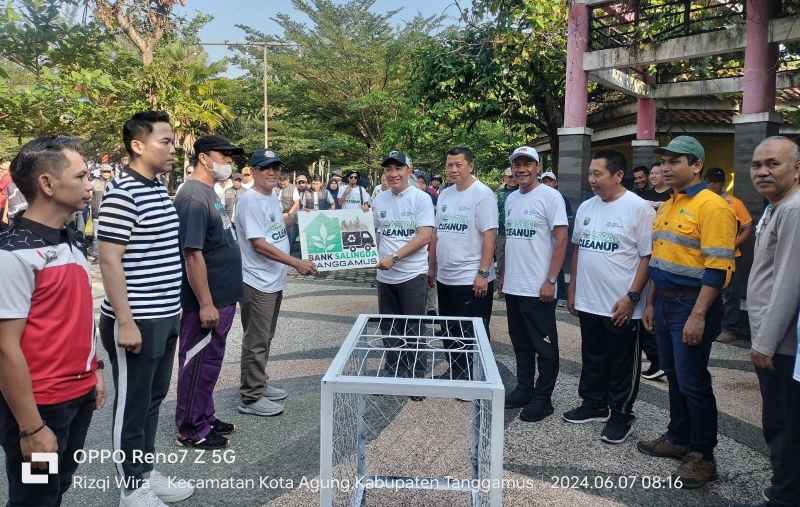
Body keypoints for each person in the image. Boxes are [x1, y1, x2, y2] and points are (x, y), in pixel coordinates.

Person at [0, 136, 105, 506]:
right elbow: (4, 348)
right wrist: (31, 428)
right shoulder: (13, 254)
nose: (89, 185)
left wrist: (96, 369)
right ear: (46, 184)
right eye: (81, 176)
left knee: (57, 487)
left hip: (77, 399)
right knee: (34, 498)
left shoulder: (70, 240)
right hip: (40, 407)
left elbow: (76, 315)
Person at [97, 111, 194, 506]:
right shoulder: (123, 193)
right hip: (136, 319)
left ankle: (145, 471)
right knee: (132, 404)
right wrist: (125, 320)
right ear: (138, 146)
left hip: (165, 313)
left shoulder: (156, 188)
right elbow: (108, 259)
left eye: (173, 142)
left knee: (153, 400)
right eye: (165, 142)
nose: (173, 148)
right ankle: (131, 488)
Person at [637, 136, 736, 489]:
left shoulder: (712, 206)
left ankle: (702, 454)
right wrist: (650, 302)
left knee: (693, 381)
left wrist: (698, 315)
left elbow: (718, 266)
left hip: (692, 304)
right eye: (664, 160)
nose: (665, 167)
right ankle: (678, 438)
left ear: (695, 165)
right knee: (676, 377)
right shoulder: (667, 205)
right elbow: (659, 260)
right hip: (664, 302)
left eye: (675, 161)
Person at [563, 150, 654, 443]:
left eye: (597, 174)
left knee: (622, 362)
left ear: (617, 175)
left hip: (621, 305)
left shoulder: (639, 209)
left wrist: (632, 297)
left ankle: (620, 414)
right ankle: (593, 403)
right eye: (590, 173)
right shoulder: (587, 208)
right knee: (593, 356)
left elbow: (647, 257)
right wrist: (572, 289)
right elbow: (578, 250)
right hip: (589, 301)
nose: (591, 179)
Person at [173, 135, 244, 450]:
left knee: (210, 362)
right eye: (224, 155)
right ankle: (191, 428)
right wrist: (205, 303)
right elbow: (192, 254)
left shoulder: (209, 193)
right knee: (198, 362)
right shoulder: (192, 197)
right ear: (203, 157)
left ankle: (205, 414)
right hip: (207, 302)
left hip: (222, 298)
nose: (229, 162)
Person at [236, 150, 317, 417]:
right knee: (256, 339)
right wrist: (296, 263)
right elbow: (259, 244)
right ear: (254, 171)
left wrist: (299, 217)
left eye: (275, 168)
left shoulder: (269, 197)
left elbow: (275, 226)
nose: (272, 173)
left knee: (265, 336)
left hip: (273, 279)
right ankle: (250, 396)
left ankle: (258, 381)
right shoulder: (249, 200)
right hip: (257, 281)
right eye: (265, 168)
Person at [746, 136, 800, 507]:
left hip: (781, 344)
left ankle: (785, 495)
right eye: (756, 165)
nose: (763, 171)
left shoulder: (794, 210)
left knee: (783, 424)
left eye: (773, 163)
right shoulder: (775, 206)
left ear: (796, 169)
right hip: (772, 337)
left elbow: (788, 282)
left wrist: (766, 343)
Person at [500, 146, 568, 422]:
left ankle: (544, 398)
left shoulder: (550, 197)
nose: (522, 169)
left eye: (528, 164)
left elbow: (561, 239)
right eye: (517, 164)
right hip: (514, 286)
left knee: (545, 347)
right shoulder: (511, 199)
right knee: (520, 343)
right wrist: (504, 274)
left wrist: (551, 280)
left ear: (538, 168)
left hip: (538, 287)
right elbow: (512, 241)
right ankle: (524, 388)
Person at [430, 147, 498, 381]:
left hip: (470, 278)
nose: (453, 169)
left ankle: (476, 376)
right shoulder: (446, 194)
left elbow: (490, 236)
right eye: (449, 165)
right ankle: (457, 370)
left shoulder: (483, 194)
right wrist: (432, 267)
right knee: (449, 329)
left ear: (470, 166)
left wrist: (482, 273)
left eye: (458, 164)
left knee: (473, 331)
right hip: (445, 277)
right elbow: (437, 233)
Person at [373, 151, 435, 382]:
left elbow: (424, 236)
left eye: (398, 168)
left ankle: (417, 376)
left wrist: (395, 257)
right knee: (389, 329)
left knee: (414, 328)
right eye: (388, 169)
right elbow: (370, 232)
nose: (393, 174)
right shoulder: (379, 198)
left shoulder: (421, 198)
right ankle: (394, 371)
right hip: (385, 277)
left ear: (409, 170)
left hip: (412, 275)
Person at [704, 167, 753, 344]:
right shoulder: (704, 201)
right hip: (708, 256)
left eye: (714, 182)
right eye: (708, 181)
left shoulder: (734, 203)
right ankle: (713, 326)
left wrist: (734, 244)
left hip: (731, 256)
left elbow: (747, 226)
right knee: (711, 291)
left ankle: (729, 329)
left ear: (721, 184)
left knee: (731, 294)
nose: (711, 185)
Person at [495, 167, 517, 298]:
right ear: (504, 178)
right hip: (502, 232)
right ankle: (500, 289)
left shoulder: (521, 192)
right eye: (508, 177)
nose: (511, 179)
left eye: (513, 176)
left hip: (515, 233)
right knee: (501, 261)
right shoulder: (499, 193)